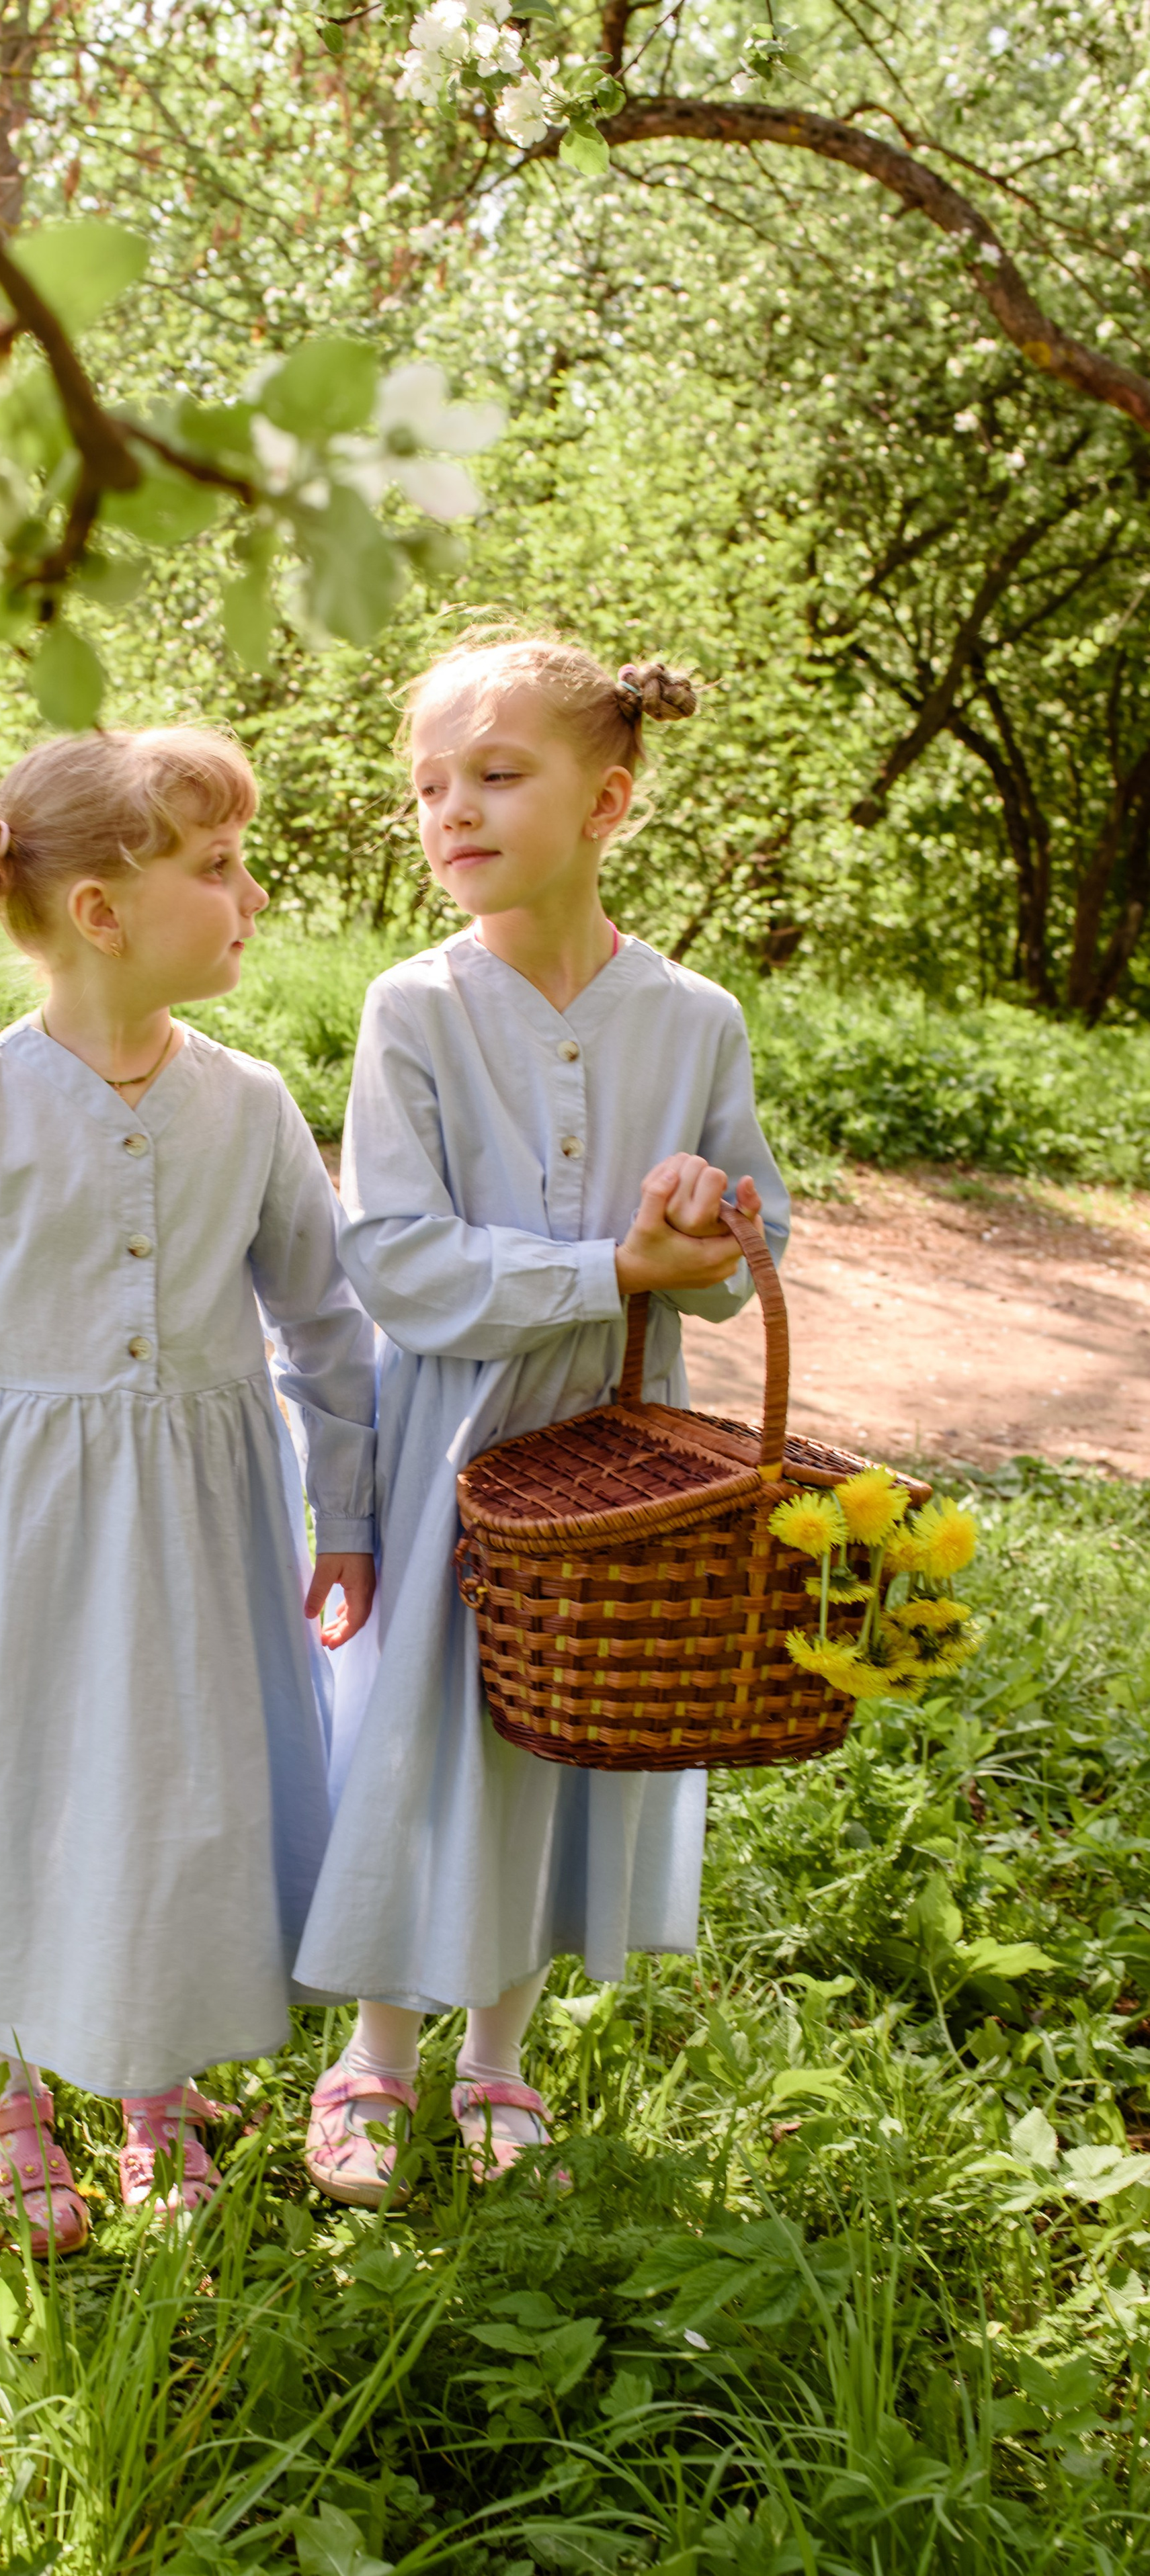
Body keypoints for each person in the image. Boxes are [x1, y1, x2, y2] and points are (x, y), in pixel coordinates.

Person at [0, 726, 376, 2254]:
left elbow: (325, 1329)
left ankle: (155, 2087)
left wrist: (349, 1510)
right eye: (217, 870)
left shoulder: (244, 1103)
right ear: (101, 910)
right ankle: (13, 2088)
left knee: (182, 1790)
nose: (248, 899)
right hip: (14, 1526)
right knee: (17, 1787)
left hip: (201, 1521)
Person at [294, 624, 790, 2206]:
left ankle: (496, 2054)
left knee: (566, 1730)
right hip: (459, 1433)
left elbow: (737, 1246)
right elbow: (394, 1256)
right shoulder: (415, 1008)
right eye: (428, 784)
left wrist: (709, 1220)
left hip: (625, 1450)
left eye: (497, 774)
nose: (453, 808)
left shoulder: (692, 1015)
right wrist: (603, 1265)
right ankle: (373, 2055)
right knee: (427, 1732)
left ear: (609, 802)